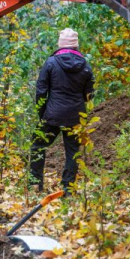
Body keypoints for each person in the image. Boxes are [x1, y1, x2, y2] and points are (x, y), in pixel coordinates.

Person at [30, 28, 94, 195]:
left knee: (37, 145)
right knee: (72, 152)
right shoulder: (85, 65)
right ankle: (67, 189)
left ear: (60, 44)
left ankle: (35, 185)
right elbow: (89, 95)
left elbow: (41, 91)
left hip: (52, 115)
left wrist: (43, 113)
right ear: (76, 45)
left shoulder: (51, 62)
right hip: (76, 117)